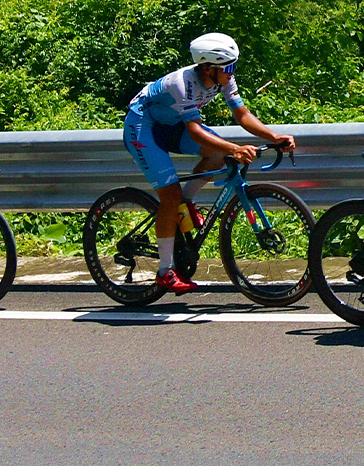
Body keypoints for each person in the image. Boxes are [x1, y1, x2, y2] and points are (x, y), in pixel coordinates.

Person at [123, 32, 297, 293]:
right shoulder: (182, 84)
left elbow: (242, 114)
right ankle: (165, 271)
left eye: (233, 66)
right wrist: (235, 148)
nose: (232, 72)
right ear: (207, 68)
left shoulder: (222, 76)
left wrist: (274, 136)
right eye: (228, 68)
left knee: (218, 155)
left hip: (171, 124)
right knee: (170, 195)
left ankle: (184, 204)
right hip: (143, 126)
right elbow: (194, 131)